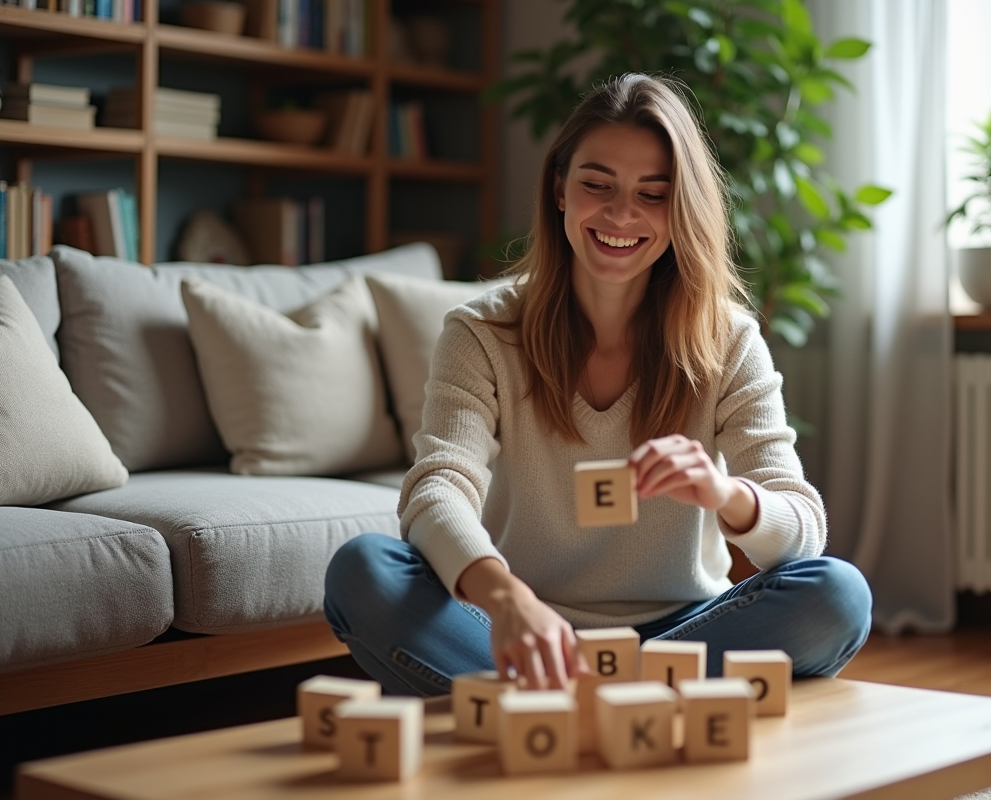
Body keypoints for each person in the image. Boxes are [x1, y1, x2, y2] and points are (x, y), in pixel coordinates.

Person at [324, 73, 872, 696]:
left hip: (684, 631)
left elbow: (802, 529)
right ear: (560, 190)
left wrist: (725, 493)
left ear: (681, 208)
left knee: (837, 594)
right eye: (597, 185)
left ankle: (571, 700)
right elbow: (436, 488)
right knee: (363, 569)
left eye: (652, 194)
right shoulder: (482, 331)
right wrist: (504, 601)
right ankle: (617, 699)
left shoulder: (729, 340)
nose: (620, 214)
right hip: (520, 626)